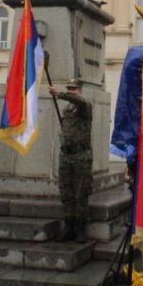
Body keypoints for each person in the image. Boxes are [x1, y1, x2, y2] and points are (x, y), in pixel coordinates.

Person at [48, 77, 93, 243]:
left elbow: (78, 101)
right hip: (66, 155)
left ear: (80, 91)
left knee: (81, 192)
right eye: (69, 88)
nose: (71, 91)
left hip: (81, 156)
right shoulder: (67, 111)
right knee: (66, 192)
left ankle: (80, 229)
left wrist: (59, 93)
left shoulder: (85, 106)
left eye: (73, 89)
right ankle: (69, 227)